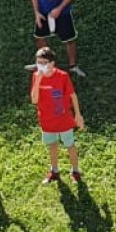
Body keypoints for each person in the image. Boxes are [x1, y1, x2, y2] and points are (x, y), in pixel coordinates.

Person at [30, 45, 84, 185]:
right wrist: (38, 80)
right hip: (47, 120)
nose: (40, 65)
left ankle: (75, 171)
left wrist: (78, 115)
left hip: (64, 120)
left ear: (52, 63)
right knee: (52, 145)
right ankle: (54, 171)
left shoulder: (63, 76)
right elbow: (34, 100)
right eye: (38, 62)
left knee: (70, 145)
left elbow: (72, 95)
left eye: (44, 62)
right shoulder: (36, 76)